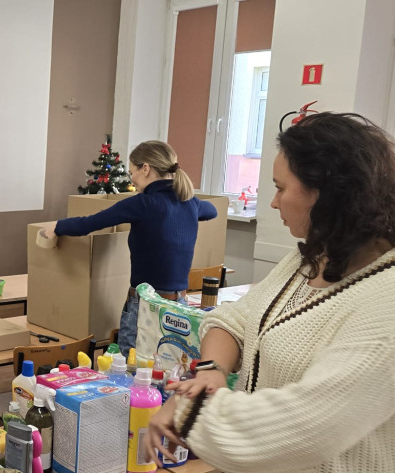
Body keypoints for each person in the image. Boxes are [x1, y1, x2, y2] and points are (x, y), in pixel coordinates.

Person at [145, 113, 395, 473]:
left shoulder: (384, 302)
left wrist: (188, 410)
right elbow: (235, 319)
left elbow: (306, 426)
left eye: (280, 188)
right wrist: (211, 371)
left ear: (328, 195)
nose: (274, 203)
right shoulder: (308, 257)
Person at [40, 140, 218, 353]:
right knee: (169, 369)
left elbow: (89, 224)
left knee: (130, 369)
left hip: (146, 306)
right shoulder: (191, 203)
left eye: (132, 171)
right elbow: (212, 211)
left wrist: (57, 226)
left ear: (146, 169)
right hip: (179, 306)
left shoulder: (142, 204)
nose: (131, 179)